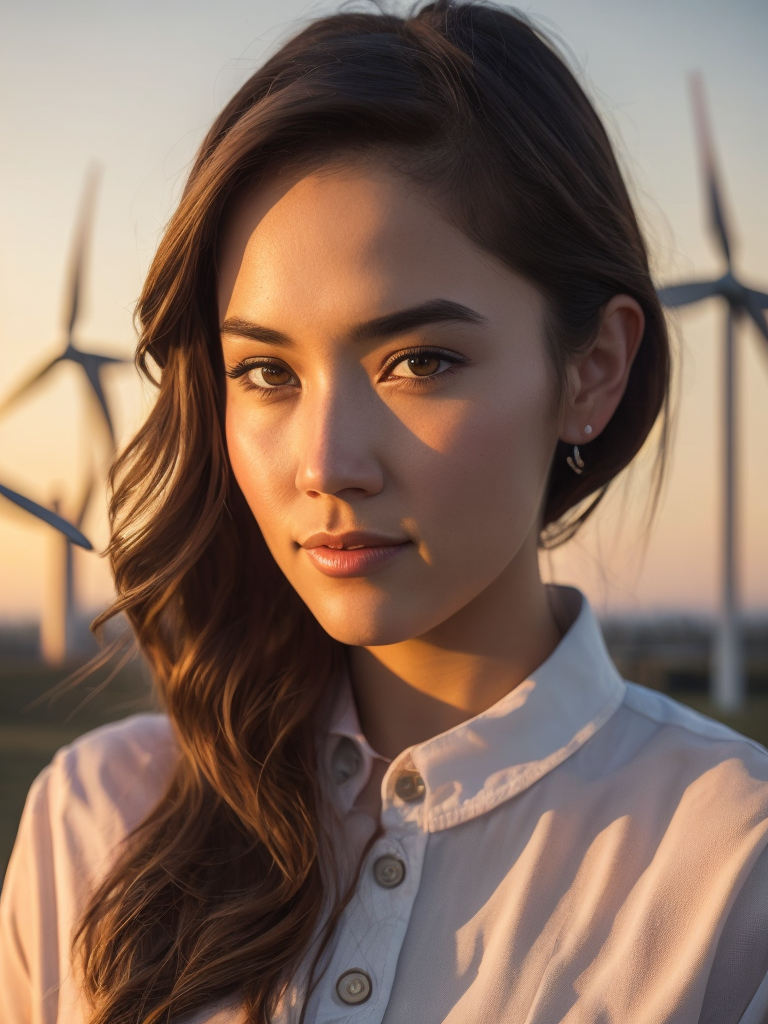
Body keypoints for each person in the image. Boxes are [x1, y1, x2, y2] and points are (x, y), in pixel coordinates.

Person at [2, 3, 768, 1022]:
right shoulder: (95, 822)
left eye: (419, 362)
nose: (326, 463)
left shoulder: (734, 866)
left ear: (593, 370)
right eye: (266, 371)